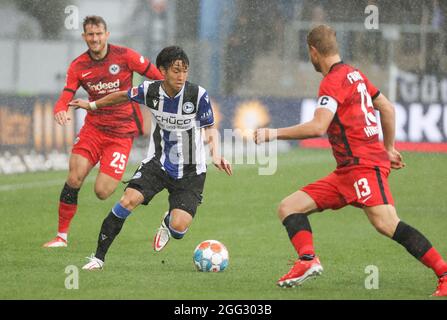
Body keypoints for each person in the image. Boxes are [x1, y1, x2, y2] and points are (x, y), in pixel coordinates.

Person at [254, 25, 447, 296]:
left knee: (387, 223)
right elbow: (387, 108)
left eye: (308, 53)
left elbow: (318, 127)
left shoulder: (332, 82)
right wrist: (389, 147)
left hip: (363, 167)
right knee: (289, 207)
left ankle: (444, 273)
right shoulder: (355, 74)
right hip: (347, 171)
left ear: (313, 51)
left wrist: (272, 133)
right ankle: (307, 261)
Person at [69, 46, 232, 270]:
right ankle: (98, 258)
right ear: (162, 71)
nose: (181, 76)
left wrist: (216, 153)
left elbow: (209, 127)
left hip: (192, 171)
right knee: (128, 200)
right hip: (158, 163)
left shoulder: (197, 95)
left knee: (179, 229)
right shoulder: (150, 91)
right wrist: (92, 105)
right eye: (176, 71)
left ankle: (168, 223)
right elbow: (121, 96)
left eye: (185, 71)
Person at [43, 16, 163, 248]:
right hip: (93, 130)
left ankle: (136, 191)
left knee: (102, 191)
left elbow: (156, 75)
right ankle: (61, 236)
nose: (95, 39)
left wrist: (168, 93)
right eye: (90, 35)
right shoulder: (78, 66)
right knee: (74, 176)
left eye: (99, 34)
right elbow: (66, 95)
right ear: (84, 37)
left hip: (120, 134)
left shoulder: (126, 56)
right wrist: (60, 109)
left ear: (106, 34)